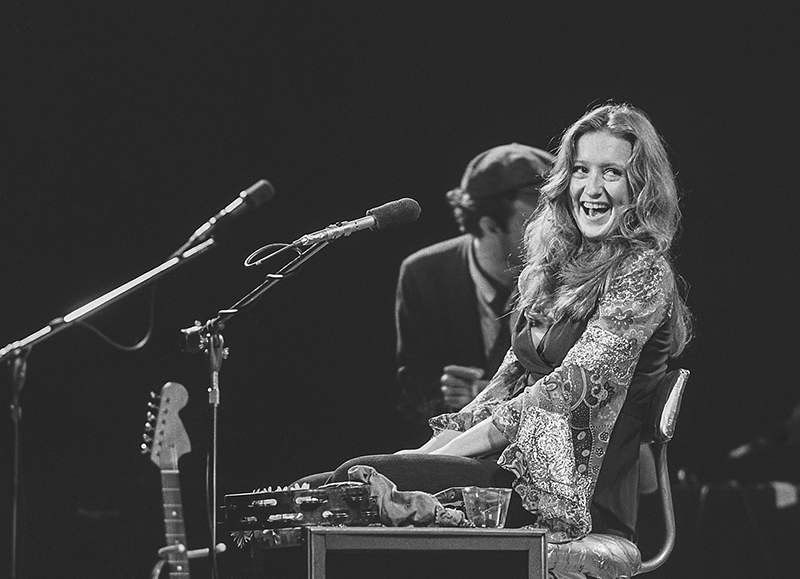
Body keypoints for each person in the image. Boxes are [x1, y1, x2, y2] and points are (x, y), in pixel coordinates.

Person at [399, 103, 693, 542]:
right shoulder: (556, 267)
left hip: (570, 487)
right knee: (346, 481)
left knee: (363, 481)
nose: (591, 189)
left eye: (611, 173)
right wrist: (426, 453)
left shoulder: (642, 271)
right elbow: (501, 389)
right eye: (580, 170)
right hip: (512, 471)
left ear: (641, 187)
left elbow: (567, 391)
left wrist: (445, 460)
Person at [395, 143, 554, 445]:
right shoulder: (424, 275)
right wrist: (448, 398)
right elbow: (413, 388)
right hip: (455, 450)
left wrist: (488, 395)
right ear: (488, 224)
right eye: (536, 221)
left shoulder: (567, 274)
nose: (554, 231)